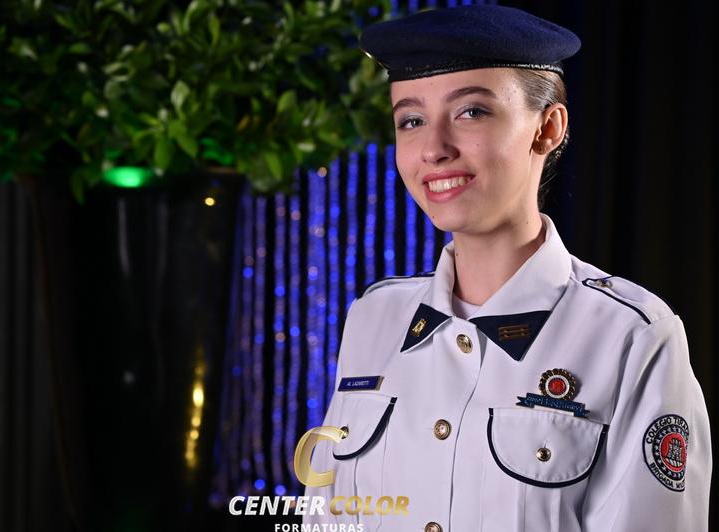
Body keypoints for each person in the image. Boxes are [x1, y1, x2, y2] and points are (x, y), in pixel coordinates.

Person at [303, 5, 711, 532]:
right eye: (411, 120)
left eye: (471, 111)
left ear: (547, 128)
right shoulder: (373, 317)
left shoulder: (631, 336)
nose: (434, 149)